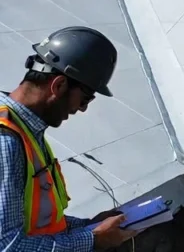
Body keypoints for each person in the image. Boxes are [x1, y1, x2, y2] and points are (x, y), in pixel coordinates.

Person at [0, 26, 138, 251]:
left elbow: (34, 223)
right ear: (59, 85)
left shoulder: (23, 130)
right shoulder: (5, 140)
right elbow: (7, 245)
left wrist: (89, 226)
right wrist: (93, 240)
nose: (82, 109)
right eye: (85, 98)